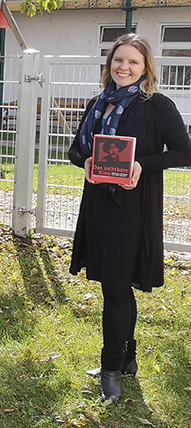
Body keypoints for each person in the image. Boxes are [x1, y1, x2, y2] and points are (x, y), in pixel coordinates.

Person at [69, 33, 191, 400]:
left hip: (133, 211)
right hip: (99, 207)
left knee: (117, 289)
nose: (124, 67)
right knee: (115, 286)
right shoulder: (97, 103)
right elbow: (76, 150)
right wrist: (87, 160)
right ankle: (126, 359)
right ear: (110, 65)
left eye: (133, 62)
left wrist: (141, 164)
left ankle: (111, 370)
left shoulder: (157, 105)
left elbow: (185, 152)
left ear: (145, 68)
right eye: (118, 60)